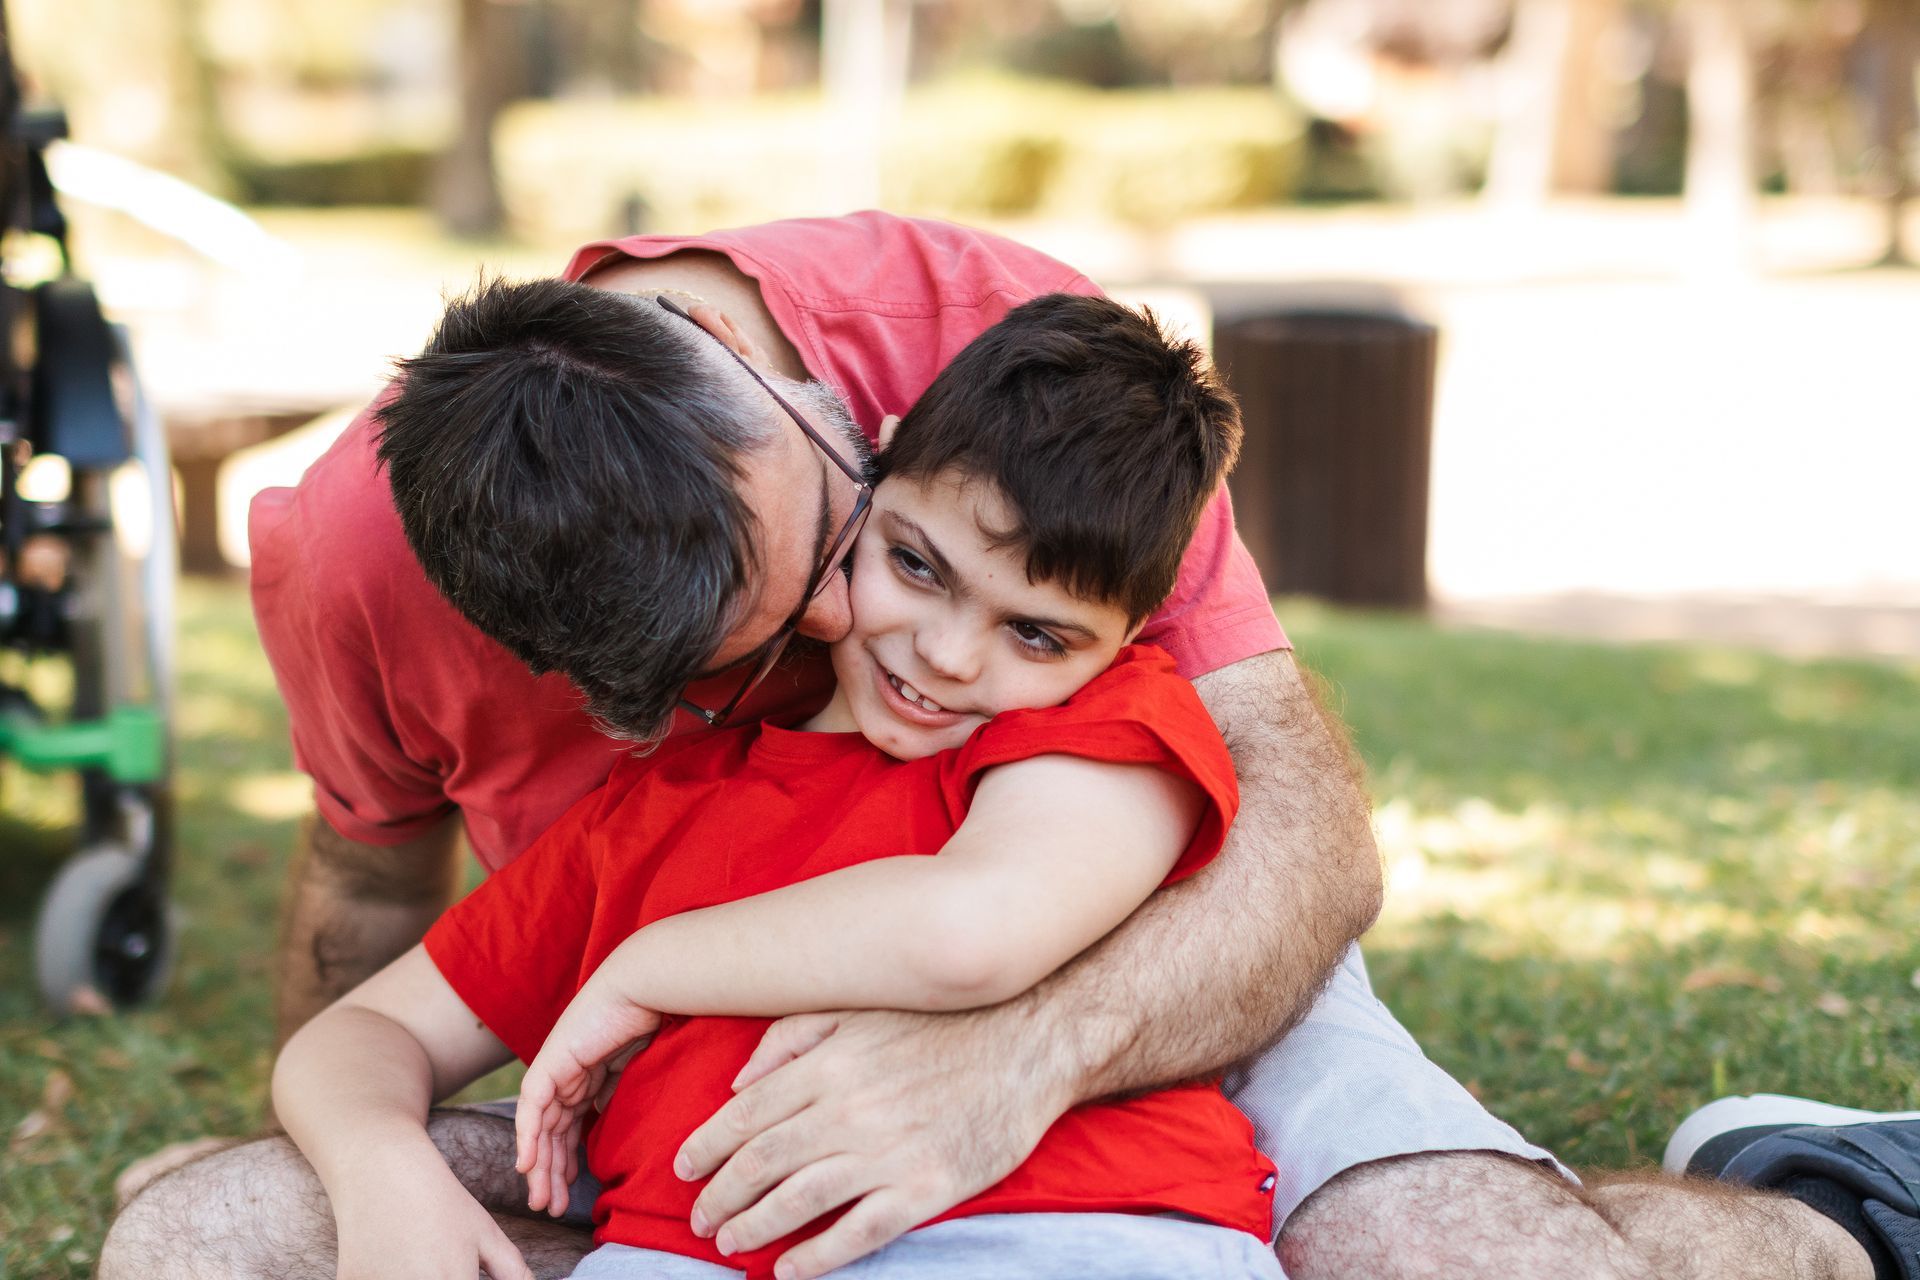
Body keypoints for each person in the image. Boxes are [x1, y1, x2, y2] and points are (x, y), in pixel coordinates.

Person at [99, 212, 1898, 1280]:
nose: (883, 650)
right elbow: (367, 904)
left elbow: (1291, 841)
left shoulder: (1008, 382)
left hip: (1127, 984)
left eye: (844, 556)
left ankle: (1805, 1205)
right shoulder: (368, 555)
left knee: (1461, 1253)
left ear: (817, 403)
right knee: (201, 1228)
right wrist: (372, 1155)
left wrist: (1020, 1061)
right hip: (672, 1104)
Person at [273, 291, 1285, 1280]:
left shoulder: (1097, 724)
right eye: (916, 565)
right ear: (881, 471)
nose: (946, 653)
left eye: (1036, 631)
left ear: (1126, 636)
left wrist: (642, 965)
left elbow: (969, 931)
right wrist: (380, 1166)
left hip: (1075, 1230)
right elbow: (364, 1033)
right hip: (677, 1251)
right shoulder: (648, 810)